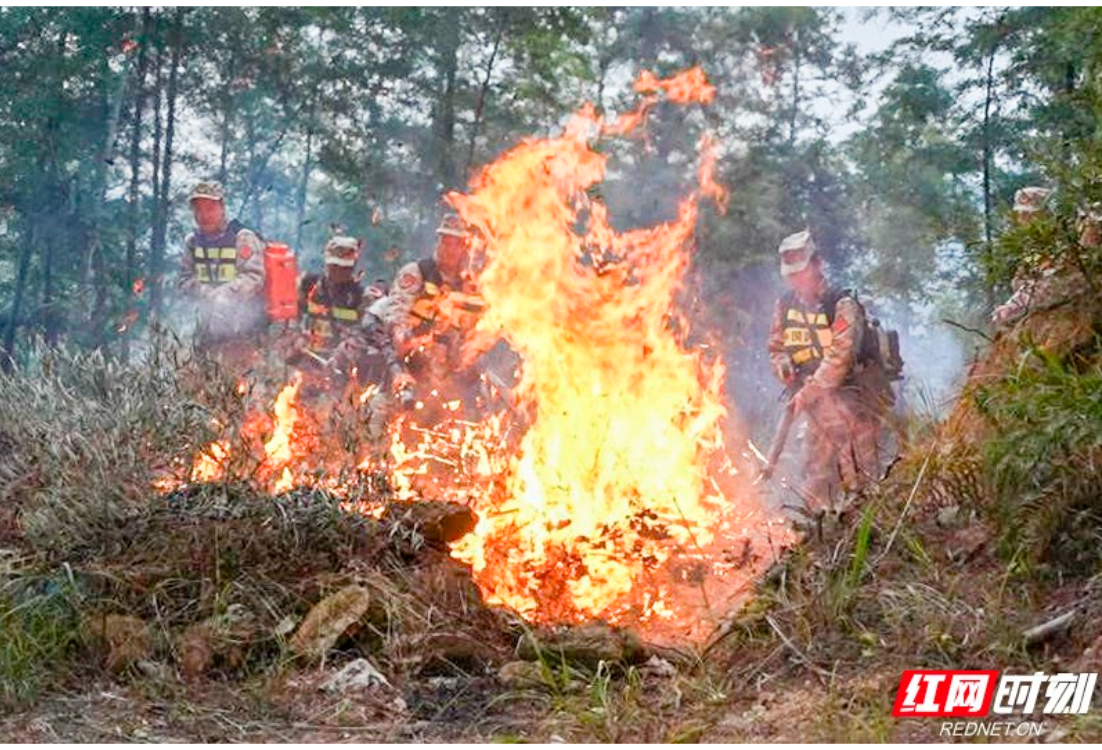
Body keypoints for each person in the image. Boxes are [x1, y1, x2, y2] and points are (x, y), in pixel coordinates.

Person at [767, 229, 891, 513]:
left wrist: (807, 393)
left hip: (855, 403)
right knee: (816, 476)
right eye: (791, 274)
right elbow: (776, 347)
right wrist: (783, 366)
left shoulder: (842, 304)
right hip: (816, 408)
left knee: (860, 478)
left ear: (817, 265)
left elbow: (839, 358)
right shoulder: (784, 306)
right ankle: (817, 536)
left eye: (802, 271)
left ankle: (868, 534)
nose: (797, 279)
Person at [177, 181, 266, 368]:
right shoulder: (193, 242)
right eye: (198, 210)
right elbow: (184, 279)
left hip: (244, 326)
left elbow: (254, 277)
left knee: (241, 378)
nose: (204, 215)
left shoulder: (242, 238)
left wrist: (226, 293)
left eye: (210, 208)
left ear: (222, 208)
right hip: (206, 325)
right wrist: (205, 292)